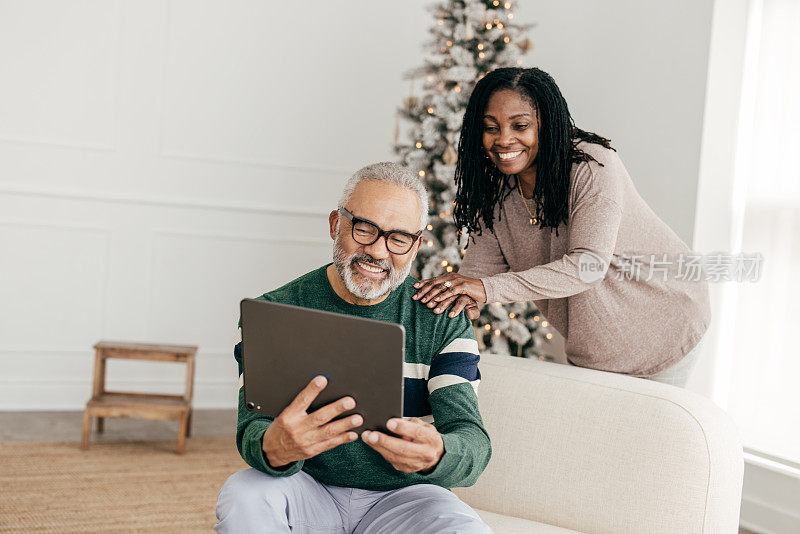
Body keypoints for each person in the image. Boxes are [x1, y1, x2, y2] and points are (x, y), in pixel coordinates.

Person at [214, 162, 492, 533]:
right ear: (335, 224)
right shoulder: (273, 312)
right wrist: (274, 447)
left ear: (416, 246)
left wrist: (438, 453)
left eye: (398, 238)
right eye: (364, 229)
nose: (378, 251)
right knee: (243, 494)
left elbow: (472, 439)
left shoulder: (443, 318)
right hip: (307, 488)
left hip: (406, 497)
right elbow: (252, 428)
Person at [412, 67, 711, 388]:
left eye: (520, 125)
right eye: (490, 128)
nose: (503, 139)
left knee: (652, 437)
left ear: (547, 122)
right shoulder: (495, 193)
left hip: (665, 329)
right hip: (594, 351)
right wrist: (453, 298)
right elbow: (476, 280)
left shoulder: (592, 166)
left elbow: (588, 266)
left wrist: (485, 290)